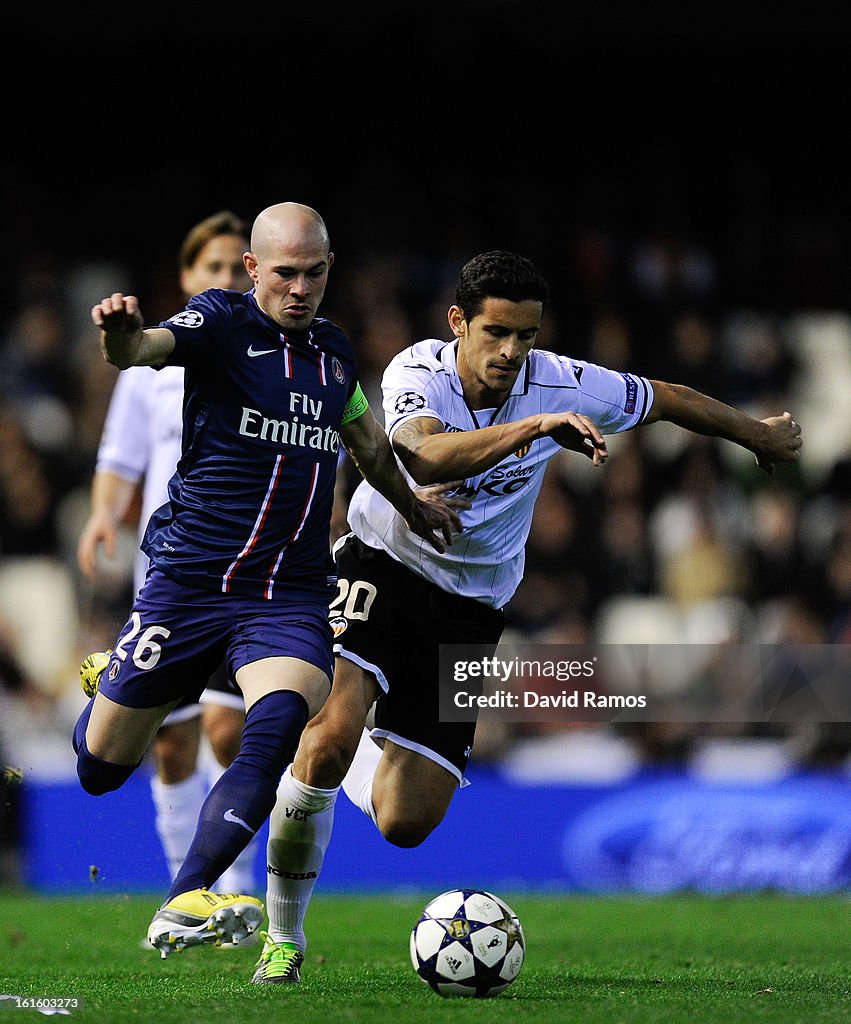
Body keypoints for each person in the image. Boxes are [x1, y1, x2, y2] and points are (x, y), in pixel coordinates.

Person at [254, 249, 803, 984]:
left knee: (404, 821)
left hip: (472, 604)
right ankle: (283, 940)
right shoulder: (418, 371)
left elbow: (666, 396)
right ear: (459, 323)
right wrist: (537, 428)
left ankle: (342, 751)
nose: (512, 352)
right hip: (379, 562)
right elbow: (420, 460)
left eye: (525, 336)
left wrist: (753, 435)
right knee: (324, 740)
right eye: (496, 333)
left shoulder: (561, 379)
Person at [72, 202, 460, 959]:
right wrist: (120, 334)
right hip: (186, 583)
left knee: (277, 723)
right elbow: (144, 350)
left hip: (286, 596)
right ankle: (107, 685)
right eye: (284, 272)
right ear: (253, 269)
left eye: (314, 273)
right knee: (98, 771)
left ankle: (183, 897)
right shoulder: (217, 323)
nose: (299, 288)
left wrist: (411, 506)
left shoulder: (335, 357)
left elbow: (367, 445)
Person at [77, 210, 261, 898]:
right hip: (168, 572)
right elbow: (119, 458)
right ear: (187, 278)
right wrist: (101, 515)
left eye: (230, 267)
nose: (220, 278)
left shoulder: (265, 361)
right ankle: (187, 893)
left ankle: (232, 887)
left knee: (226, 727)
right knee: (170, 743)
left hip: (241, 572)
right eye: (207, 267)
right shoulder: (150, 366)